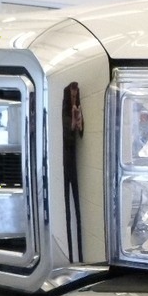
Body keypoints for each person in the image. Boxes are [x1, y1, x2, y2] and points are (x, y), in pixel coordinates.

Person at [62, 82, 84, 262]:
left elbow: (80, 132)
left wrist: (79, 121)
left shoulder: (79, 108)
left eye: (76, 95)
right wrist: (72, 122)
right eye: (72, 95)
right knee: (66, 209)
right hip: (63, 160)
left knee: (77, 204)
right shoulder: (63, 111)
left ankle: (80, 257)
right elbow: (65, 135)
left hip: (74, 159)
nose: (74, 98)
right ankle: (70, 257)